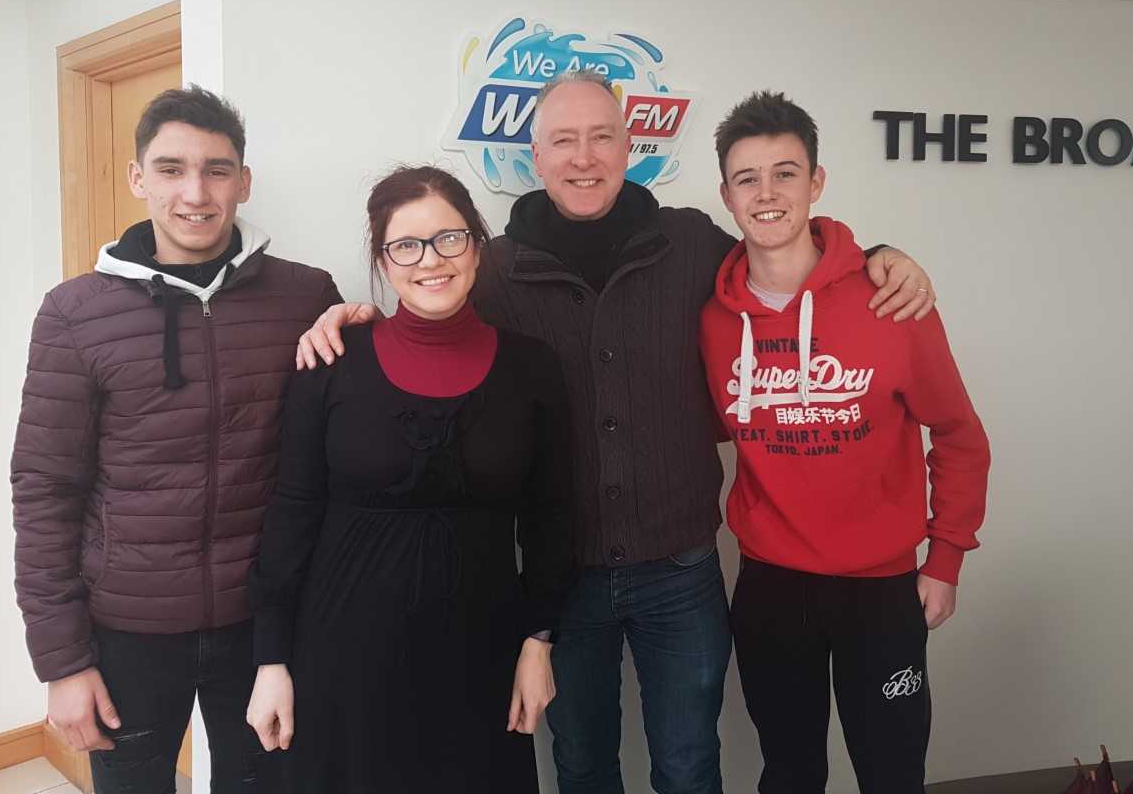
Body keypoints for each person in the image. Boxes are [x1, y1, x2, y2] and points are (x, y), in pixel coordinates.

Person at [296, 71, 937, 794]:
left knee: (689, 766)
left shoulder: (690, 242)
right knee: (582, 764)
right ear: (536, 157)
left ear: (630, 146)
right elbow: (429, 318)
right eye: (564, 140)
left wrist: (878, 256)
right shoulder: (494, 267)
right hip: (563, 577)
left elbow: (785, 256)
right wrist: (356, 320)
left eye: (602, 136)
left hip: (681, 568)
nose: (584, 157)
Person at [10, 87, 340, 793]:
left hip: (264, 627)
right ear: (139, 178)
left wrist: (366, 323)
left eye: (217, 170)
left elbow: (341, 443)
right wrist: (62, 662)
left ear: (243, 181)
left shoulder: (306, 297)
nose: (195, 192)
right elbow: (43, 490)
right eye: (170, 169)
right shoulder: (74, 312)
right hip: (126, 630)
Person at [245, 166, 574, 793]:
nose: (431, 260)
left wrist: (539, 642)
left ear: (477, 247)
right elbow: (292, 511)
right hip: (343, 656)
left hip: (480, 655)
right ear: (382, 260)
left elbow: (552, 518)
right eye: (406, 245)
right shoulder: (331, 363)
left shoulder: (532, 368)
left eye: (449, 238)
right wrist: (271, 659)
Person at [700, 90, 991, 793]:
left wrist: (946, 557)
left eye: (786, 173)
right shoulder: (712, 320)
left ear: (817, 182)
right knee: (790, 772)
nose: (767, 194)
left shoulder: (891, 299)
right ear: (727, 196)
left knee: (892, 772)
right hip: (771, 587)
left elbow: (959, 435)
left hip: (882, 590)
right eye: (747, 179)